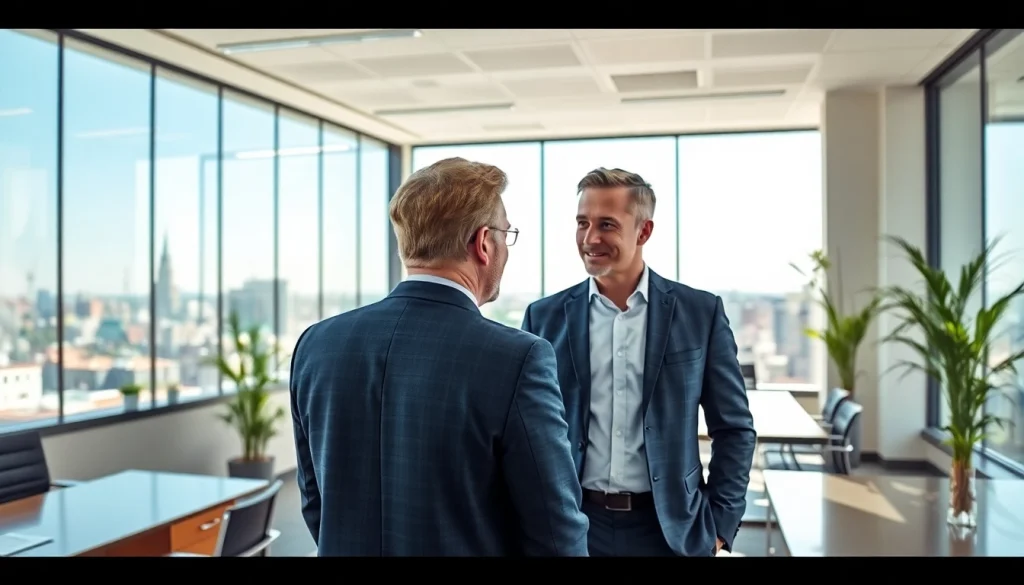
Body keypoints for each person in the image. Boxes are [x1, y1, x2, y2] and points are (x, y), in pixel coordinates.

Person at [289, 157, 589, 557]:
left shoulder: (316, 345)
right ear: (483, 243)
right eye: (506, 234)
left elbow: (316, 505)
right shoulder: (517, 358)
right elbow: (555, 533)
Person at [521, 167, 756, 557]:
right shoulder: (544, 317)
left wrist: (718, 526)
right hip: (572, 524)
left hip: (670, 530)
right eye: (583, 223)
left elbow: (734, 429)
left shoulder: (700, 313)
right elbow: (526, 433)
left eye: (607, 224)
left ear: (644, 232)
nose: (590, 238)